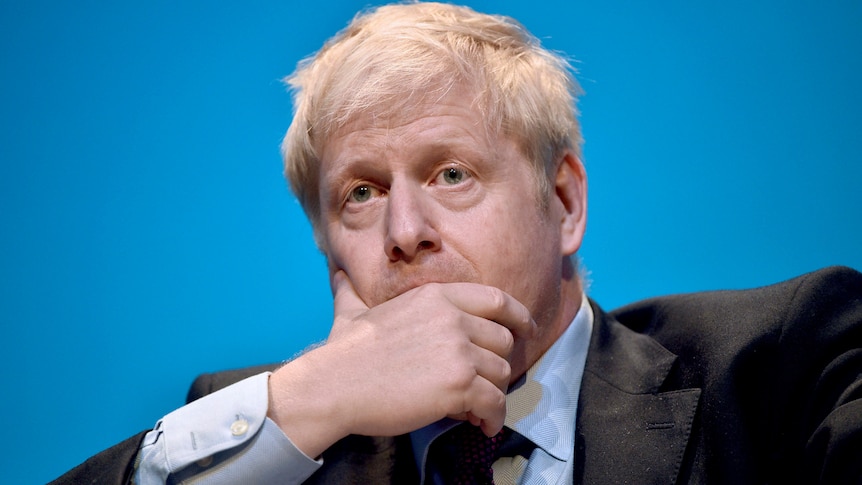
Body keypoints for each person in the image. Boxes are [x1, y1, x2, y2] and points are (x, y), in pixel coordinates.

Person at [52, 2, 862, 484]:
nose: (405, 233)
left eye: (450, 173)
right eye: (361, 194)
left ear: (564, 200)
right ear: (328, 246)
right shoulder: (271, 432)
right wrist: (309, 400)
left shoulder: (781, 366)